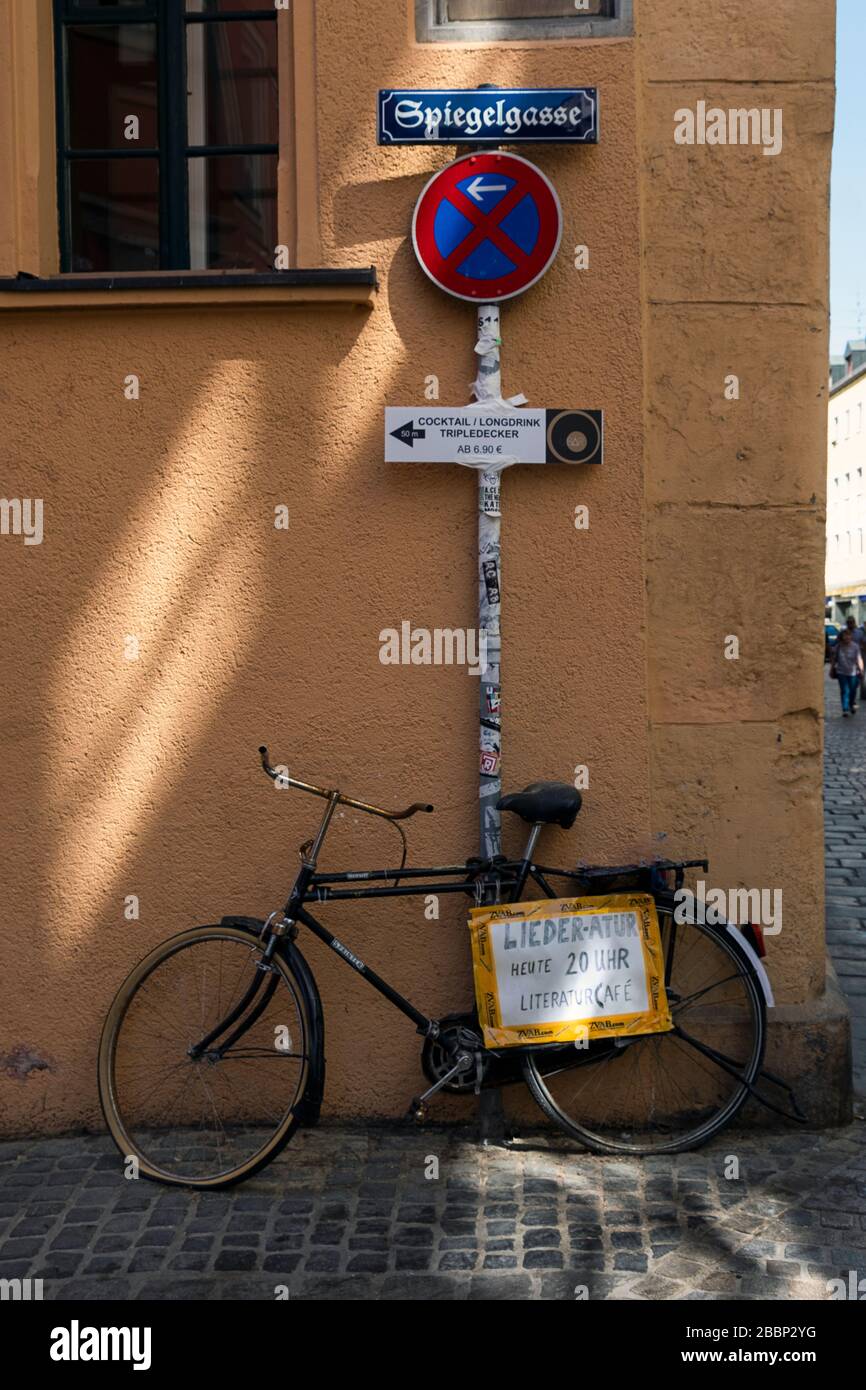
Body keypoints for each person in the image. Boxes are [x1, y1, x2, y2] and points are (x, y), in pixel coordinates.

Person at [830, 627, 864, 717]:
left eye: (848, 636)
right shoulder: (838, 646)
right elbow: (834, 659)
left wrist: (861, 670)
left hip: (853, 672)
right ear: (842, 637)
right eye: (845, 636)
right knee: (845, 690)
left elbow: (859, 659)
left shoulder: (855, 646)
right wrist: (831, 669)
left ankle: (851, 704)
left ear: (851, 637)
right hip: (841, 672)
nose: (847, 638)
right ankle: (845, 709)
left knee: (852, 691)